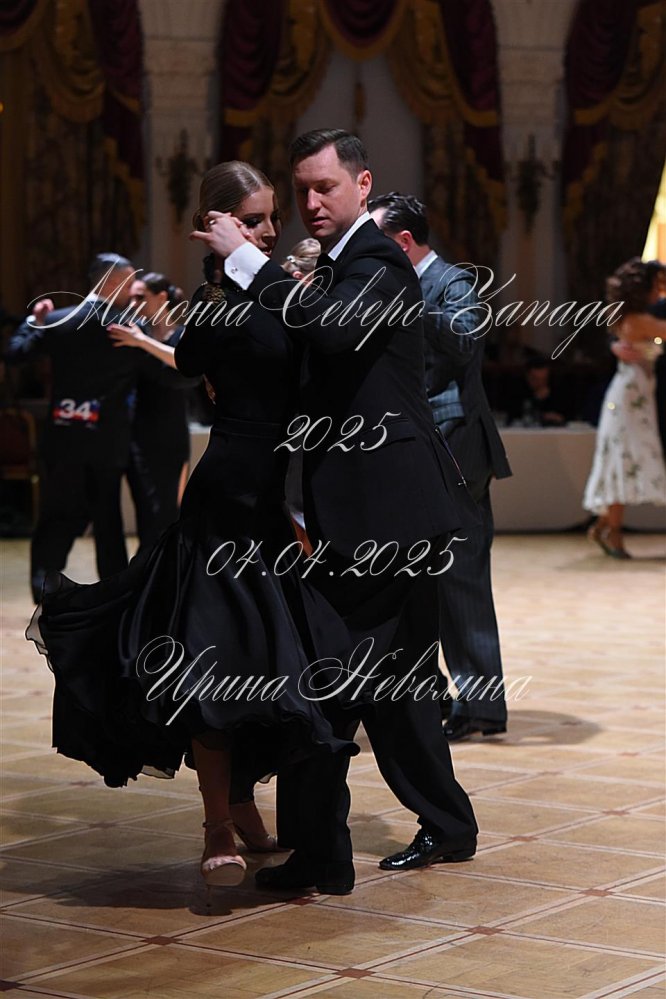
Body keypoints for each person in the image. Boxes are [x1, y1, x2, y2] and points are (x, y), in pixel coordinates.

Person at [27, 162, 357, 889]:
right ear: (218, 224)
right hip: (224, 502)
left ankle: (240, 801)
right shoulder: (217, 306)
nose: (270, 230)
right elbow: (191, 363)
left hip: (273, 504)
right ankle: (216, 821)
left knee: (272, 666)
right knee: (213, 662)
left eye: (272, 218)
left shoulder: (284, 292)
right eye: (253, 219)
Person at [197, 129, 479, 893]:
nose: (311, 202)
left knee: (320, 684)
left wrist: (247, 262)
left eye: (325, 186)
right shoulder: (334, 266)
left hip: (386, 520)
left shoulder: (379, 262)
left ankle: (321, 854)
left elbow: (331, 330)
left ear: (362, 183)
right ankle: (449, 824)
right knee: (401, 685)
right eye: (302, 190)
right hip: (385, 516)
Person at [368, 192, 511, 741]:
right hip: (419, 450)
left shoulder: (452, 281)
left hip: (457, 448)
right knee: (424, 582)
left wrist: (406, 302)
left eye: (377, 241)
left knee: (461, 578)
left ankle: (482, 708)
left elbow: (465, 339)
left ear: (403, 242)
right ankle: (437, 697)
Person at [5, 254, 186, 601]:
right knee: (108, 524)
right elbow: (172, 378)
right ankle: (112, 598)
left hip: (63, 439)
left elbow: (15, 354)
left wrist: (34, 321)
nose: (132, 291)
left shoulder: (58, 320)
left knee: (55, 519)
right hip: (108, 443)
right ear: (112, 283)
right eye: (129, 282)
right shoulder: (127, 330)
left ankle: (44, 594)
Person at [108, 274, 199, 551]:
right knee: (147, 512)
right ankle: (149, 570)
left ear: (161, 298)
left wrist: (141, 343)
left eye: (140, 297)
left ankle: (164, 570)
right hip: (138, 434)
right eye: (131, 298)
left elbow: (185, 371)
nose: (132, 304)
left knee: (166, 512)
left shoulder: (182, 335)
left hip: (170, 436)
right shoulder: (138, 334)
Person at [584, 257, 666, 558]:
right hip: (631, 398)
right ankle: (612, 530)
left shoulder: (628, 316)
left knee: (624, 460)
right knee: (624, 459)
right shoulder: (638, 319)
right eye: (656, 285)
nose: (660, 291)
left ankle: (605, 525)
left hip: (634, 394)